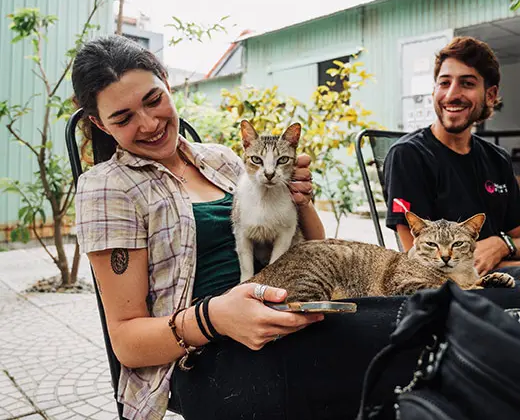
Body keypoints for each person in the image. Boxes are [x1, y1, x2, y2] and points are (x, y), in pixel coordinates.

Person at [73, 35, 362, 420]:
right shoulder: (107, 188)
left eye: (154, 100)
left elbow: (314, 248)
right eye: (123, 118)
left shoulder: (224, 160)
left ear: (166, 81)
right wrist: (216, 317)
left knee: (392, 334)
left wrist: (300, 200)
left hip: (284, 310)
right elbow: (127, 342)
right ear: (99, 124)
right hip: (205, 354)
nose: (149, 124)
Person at [384, 36, 520, 277]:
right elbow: (420, 266)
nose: (451, 95)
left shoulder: (498, 159)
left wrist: (502, 245)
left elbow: (518, 237)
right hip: (454, 295)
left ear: (490, 95)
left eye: (467, 83)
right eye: (444, 83)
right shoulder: (409, 156)